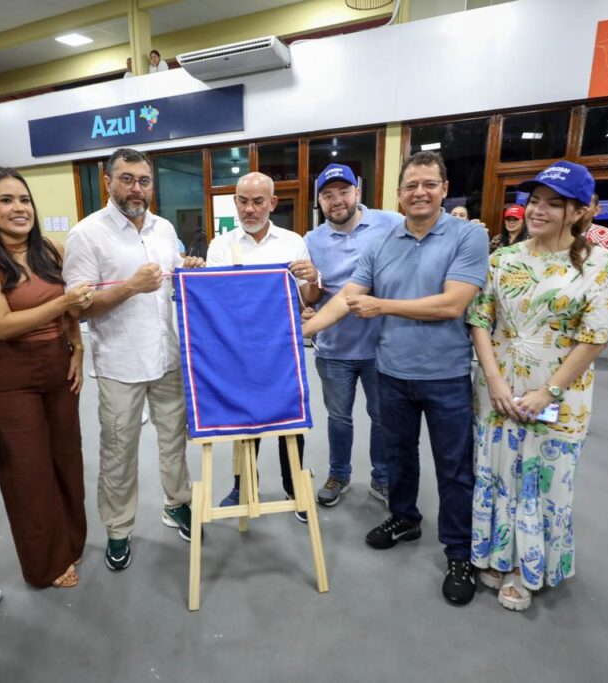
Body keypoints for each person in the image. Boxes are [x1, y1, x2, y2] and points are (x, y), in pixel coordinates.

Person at [302, 151, 488, 605]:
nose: (419, 193)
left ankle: (459, 553)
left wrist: (383, 306)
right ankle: (404, 518)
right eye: (411, 186)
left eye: (429, 184)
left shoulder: (468, 237)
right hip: (391, 372)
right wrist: (298, 334)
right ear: (400, 195)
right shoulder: (382, 244)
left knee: (454, 470)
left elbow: (451, 304)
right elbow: (347, 297)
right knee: (399, 457)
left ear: (444, 189)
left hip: (445, 376)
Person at [468, 161, 608, 612]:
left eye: (553, 204)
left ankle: (529, 567)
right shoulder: (502, 258)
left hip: (558, 391)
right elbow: (480, 319)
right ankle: (497, 554)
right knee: (497, 470)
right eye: (534, 201)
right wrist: (496, 380)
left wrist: (549, 392)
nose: (538, 211)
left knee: (542, 477)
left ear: (579, 211)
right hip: (496, 386)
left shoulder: (600, 266)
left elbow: (594, 337)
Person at [64, 148, 205, 571]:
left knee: (173, 442)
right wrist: (128, 287)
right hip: (120, 364)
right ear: (109, 182)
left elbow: (169, 280)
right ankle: (119, 529)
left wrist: (188, 269)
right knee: (119, 452)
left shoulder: (164, 230)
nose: (136, 188)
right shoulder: (86, 235)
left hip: (167, 356)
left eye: (144, 180)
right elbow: (78, 308)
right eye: (127, 179)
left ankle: (177, 503)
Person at [0, 167, 92, 589]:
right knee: (29, 474)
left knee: (67, 462)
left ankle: (71, 541)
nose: (19, 208)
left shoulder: (51, 249)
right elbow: (1, 325)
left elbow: (71, 308)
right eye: (6, 200)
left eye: (24, 199)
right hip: (11, 377)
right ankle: (46, 563)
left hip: (59, 367)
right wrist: (65, 305)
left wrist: (77, 345)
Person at [207, 171, 322, 522]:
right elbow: (214, 302)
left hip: (281, 351)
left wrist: (313, 278)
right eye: (243, 201)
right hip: (236, 352)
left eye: (258, 201)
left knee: (289, 421)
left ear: (272, 203)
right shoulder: (220, 246)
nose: (249, 209)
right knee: (244, 421)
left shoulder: (292, 242)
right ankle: (242, 484)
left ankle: (293, 486)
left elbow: (309, 298)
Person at [304, 163, 403, 507]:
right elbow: (311, 296)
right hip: (334, 348)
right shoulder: (311, 241)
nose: (337, 201)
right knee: (339, 418)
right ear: (320, 201)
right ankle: (339, 474)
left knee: (382, 418)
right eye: (328, 195)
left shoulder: (390, 223)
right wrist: (308, 292)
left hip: (382, 347)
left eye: (343, 192)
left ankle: (383, 477)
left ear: (358, 192)